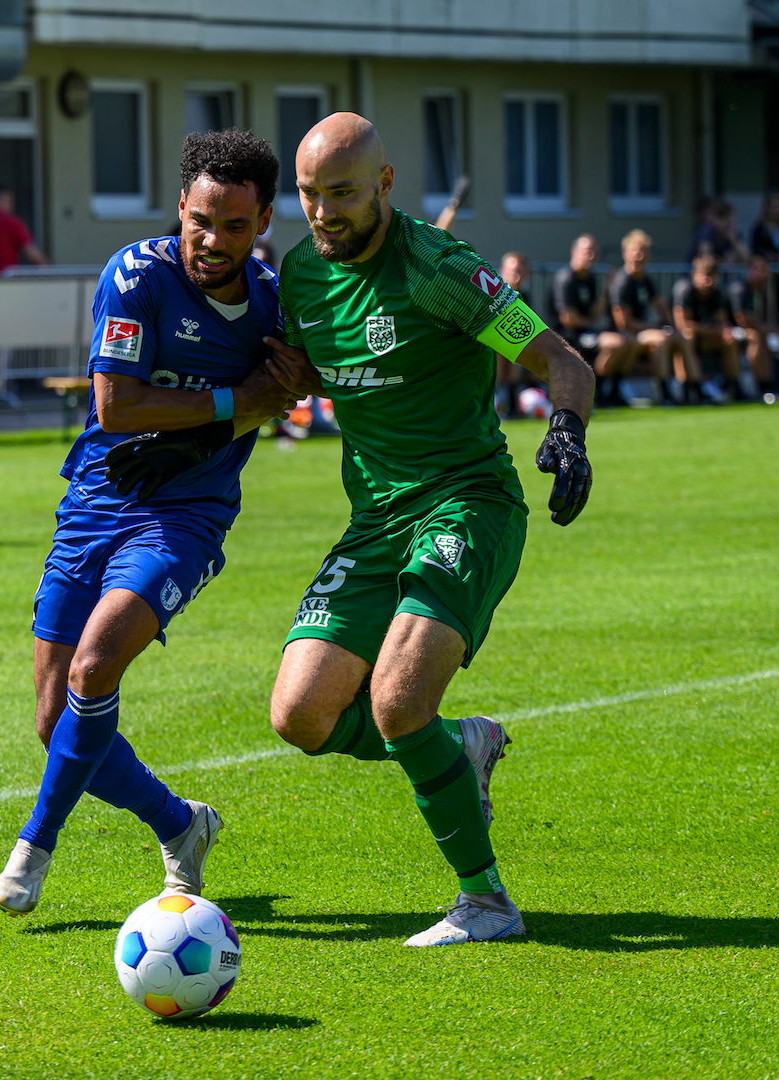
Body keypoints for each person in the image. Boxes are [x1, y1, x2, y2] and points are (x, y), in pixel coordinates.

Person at [262, 113, 594, 948]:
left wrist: (568, 432)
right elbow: (289, 375)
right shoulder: (300, 275)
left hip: (466, 502)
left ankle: (485, 902)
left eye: (341, 193)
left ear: (384, 184)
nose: (323, 212)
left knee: (398, 701)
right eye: (308, 195)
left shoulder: (442, 270)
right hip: (375, 520)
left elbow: (564, 360)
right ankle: (461, 749)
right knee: (299, 716)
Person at [0, 130, 309, 916]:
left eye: (235, 226)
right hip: (94, 503)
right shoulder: (135, 274)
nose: (212, 240)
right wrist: (240, 403)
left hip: (186, 519)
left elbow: (293, 388)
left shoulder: (271, 304)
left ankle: (35, 845)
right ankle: (180, 822)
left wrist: (280, 393)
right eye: (202, 220)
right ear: (181, 208)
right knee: (51, 720)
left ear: (263, 220)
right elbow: (116, 404)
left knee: (93, 670)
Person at [607, 229, 685, 405]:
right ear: (625, 253)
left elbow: (661, 305)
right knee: (661, 339)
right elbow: (623, 322)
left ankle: (692, 388)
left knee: (681, 338)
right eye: (635, 251)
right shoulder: (622, 281)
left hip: (639, 331)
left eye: (643, 251)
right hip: (623, 333)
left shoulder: (645, 280)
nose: (639, 256)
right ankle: (665, 392)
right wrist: (653, 327)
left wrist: (674, 328)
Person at [551, 234, 624, 399]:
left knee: (626, 343)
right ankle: (595, 393)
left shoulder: (589, 278)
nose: (591, 256)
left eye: (594, 252)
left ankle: (610, 392)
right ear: (574, 252)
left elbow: (594, 312)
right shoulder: (566, 278)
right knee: (615, 343)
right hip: (565, 335)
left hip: (585, 331)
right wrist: (590, 323)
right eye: (587, 251)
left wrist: (607, 289)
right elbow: (568, 319)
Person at [670, 253, 743, 403]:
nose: (707, 280)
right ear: (694, 274)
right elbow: (683, 325)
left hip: (704, 337)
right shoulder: (684, 290)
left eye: (711, 276)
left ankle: (734, 386)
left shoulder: (716, 293)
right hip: (677, 337)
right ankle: (689, 388)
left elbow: (722, 322)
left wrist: (724, 331)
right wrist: (715, 330)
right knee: (687, 337)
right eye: (704, 275)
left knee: (729, 340)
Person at [729, 253, 779, 393]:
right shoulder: (740, 289)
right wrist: (776, 330)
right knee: (757, 337)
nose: (762, 273)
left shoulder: (761, 291)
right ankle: (763, 386)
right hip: (730, 329)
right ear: (749, 270)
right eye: (758, 269)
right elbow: (743, 320)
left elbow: (768, 315)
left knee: (768, 338)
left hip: (750, 330)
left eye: (764, 269)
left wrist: (768, 291)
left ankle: (774, 385)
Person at [493, 251, 538, 416]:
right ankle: (495, 398)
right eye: (513, 271)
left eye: (520, 272)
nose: (516, 276)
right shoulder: (492, 294)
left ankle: (513, 403)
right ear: (502, 270)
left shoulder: (524, 297)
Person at [688, 198, 750, 264]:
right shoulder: (707, 231)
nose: (726, 223)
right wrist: (723, 262)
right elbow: (705, 257)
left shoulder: (734, 233)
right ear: (714, 219)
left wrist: (733, 240)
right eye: (722, 218)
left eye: (730, 219)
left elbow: (747, 259)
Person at [749, 189, 779, 260]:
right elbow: (755, 250)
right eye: (774, 207)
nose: (776, 211)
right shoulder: (760, 230)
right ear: (767, 208)